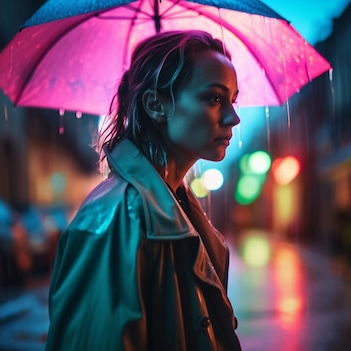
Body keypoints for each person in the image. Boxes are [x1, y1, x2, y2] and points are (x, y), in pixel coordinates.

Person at [45, 30, 241, 350]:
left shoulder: (172, 207)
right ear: (155, 104)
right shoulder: (116, 220)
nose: (233, 117)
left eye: (233, 100)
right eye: (214, 98)